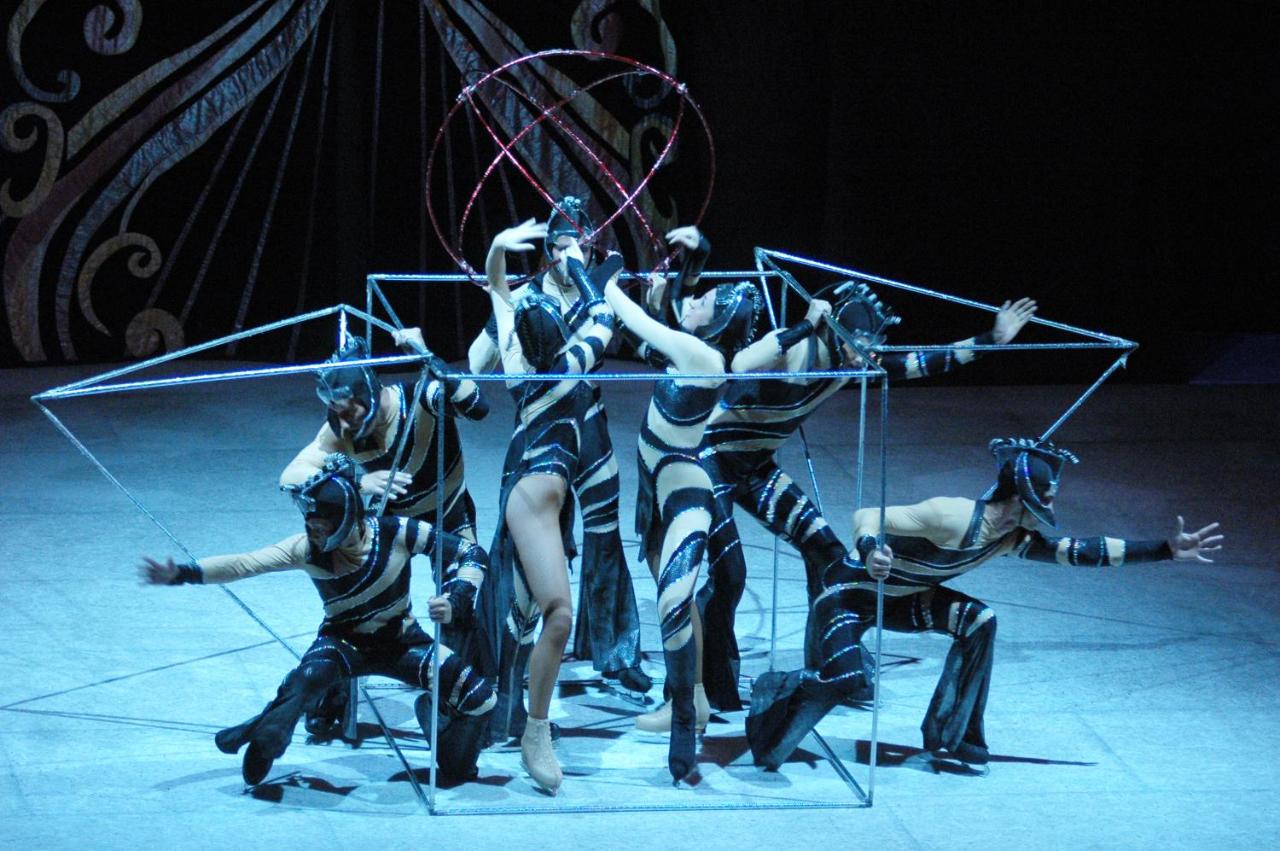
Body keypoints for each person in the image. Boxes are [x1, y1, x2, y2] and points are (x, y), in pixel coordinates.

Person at [745, 437, 1224, 771]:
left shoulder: (1009, 537)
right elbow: (868, 514)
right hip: (848, 596)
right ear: (1022, 499)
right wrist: (872, 551)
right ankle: (775, 696)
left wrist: (1164, 549)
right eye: (1046, 497)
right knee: (844, 680)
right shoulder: (952, 516)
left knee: (980, 621)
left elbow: (1078, 551)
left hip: (905, 602)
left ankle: (953, 734)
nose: (1051, 507)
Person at [690, 270, 1038, 710]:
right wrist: (806, 324)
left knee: (828, 554)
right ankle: (707, 682)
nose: (864, 357)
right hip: (710, 461)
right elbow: (739, 365)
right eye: (858, 345)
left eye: (868, 346)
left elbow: (915, 364)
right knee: (730, 572)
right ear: (835, 333)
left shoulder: (845, 366)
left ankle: (831, 665)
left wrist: (990, 339)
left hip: (755, 468)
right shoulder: (795, 350)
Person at [139, 454, 497, 785]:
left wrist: (456, 599)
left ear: (346, 519)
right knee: (307, 678)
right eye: (310, 525)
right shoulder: (306, 550)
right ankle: (271, 735)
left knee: (481, 699)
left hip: (402, 642)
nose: (314, 533)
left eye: (321, 526)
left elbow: (470, 553)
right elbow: (244, 564)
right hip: (342, 643)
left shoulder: (398, 532)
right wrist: (183, 573)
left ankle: (445, 741)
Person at [470, 200, 650, 707]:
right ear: (548, 251)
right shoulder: (528, 300)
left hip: (590, 431)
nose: (574, 255)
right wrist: (501, 319)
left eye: (582, 246)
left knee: (605, 536)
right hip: (541, 434)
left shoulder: (602, 289)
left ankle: (616, 653)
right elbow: (477, 360)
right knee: (522, 548)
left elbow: (645, 343)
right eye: (564, 246)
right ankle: (507, 660)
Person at [605, 230, 763, 782]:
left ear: (714, 325)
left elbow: (636, 318)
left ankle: (684, 716)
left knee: (673, 598)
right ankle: (690, 695)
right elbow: (670, 308)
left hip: (682, 488)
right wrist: (698, 253)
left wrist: (601, 276)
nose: (694, 299)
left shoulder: (700, 354)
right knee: (670, 588)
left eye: (705, 302)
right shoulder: (696, 345)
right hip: (654, 486)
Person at [281, 328, 490, 737]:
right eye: (337, 412)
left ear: (367, 392)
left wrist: (427, 354)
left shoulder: (421, 398)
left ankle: (461, 702)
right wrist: (357, 483)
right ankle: (331, 694)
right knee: (356, 608)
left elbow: (477, 405)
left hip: (449, 515)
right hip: (392, 525)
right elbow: (291, 476)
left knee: (461, 601)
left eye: (349, 411)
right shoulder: (341, 427)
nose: (344, 421)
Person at [482, 219, 624, 795]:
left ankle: (516, 717)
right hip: (530, 500)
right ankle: (531, 729)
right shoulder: (568, 363)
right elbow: (602, 313)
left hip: (547, 498)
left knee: (529, 615)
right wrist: (582, 271)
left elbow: (498, 293)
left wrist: (497, 248)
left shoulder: (518, 361)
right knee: (554, 615)